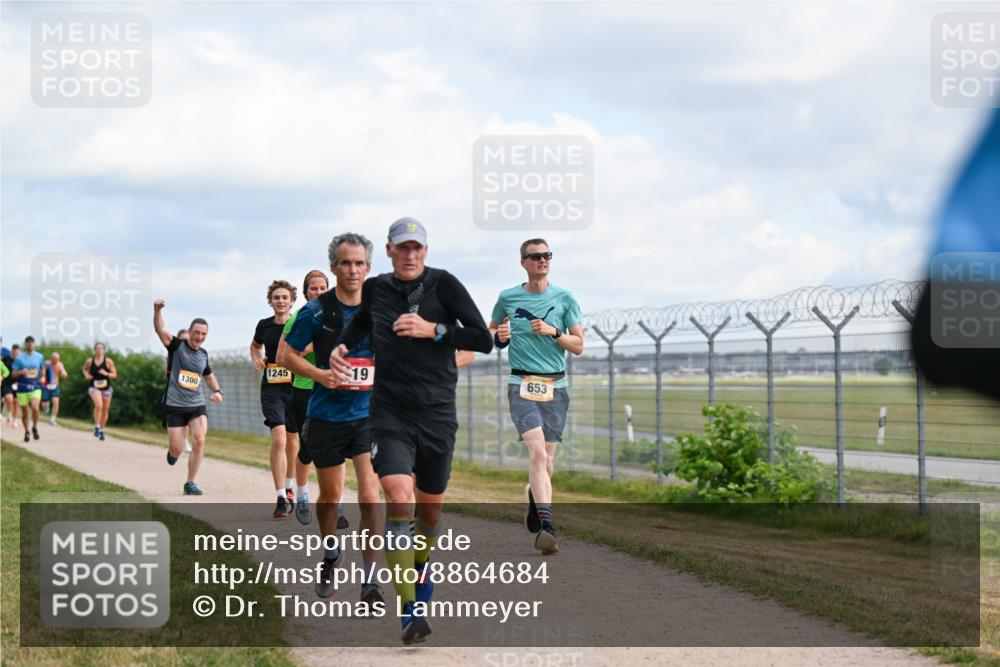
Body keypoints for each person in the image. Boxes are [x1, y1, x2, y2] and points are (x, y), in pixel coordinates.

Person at [329, 218, 493, 644]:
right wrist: (341, 346)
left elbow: (482, 338)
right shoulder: (378, 287)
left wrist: (435, 330)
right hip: (390, 413)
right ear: (389, 250)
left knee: (430, 513)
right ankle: (410, 609)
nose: (410, 254)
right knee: (398, 498)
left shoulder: (446, 285)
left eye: (417, 247)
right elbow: (362, 323)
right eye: (403, 247)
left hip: (438, 414)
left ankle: (420, 571)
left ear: (426, 249)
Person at [281, 233, 387, 606]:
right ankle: (330, 553)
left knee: (371, 496)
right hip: (326, 416)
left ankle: (371, 580)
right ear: (333, 267)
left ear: (369, 268)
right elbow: (285, 355)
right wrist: (320, 374)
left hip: (366, 417)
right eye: (346, 263)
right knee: (330, 496)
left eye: (359, 263)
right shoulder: (316, 312)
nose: (353, 269)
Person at [489, 239, 584, 554]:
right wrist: (499, 337)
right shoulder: (507, 297)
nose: (542, 260)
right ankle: (547, 526)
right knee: (538, 454)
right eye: (535, 256)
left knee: (548, 460)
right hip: (522, 384)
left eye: (547, 255)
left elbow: (579, 345)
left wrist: (554, 333)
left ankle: (535, 500)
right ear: (523, 262)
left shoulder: (565, 298)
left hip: (556, 387)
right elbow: (491, 333)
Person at [279, 269, 350, 528]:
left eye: (323, 288)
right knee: (308, 447)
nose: (318, 292)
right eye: (313, 288)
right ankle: (302, 495)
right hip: (304, 388)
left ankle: (338, 502)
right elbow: (282, 355)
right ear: (306, 292)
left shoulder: (338, 315)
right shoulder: (298, 317)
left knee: (336, 445)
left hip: (333, 388)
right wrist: (309, 345)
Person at [154, 299, 224, 495]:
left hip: (196, 405)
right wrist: (157, 311)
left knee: (199, 439)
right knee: (177, 449)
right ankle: (172, 453)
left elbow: (208, 376)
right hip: (175, 406)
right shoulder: (177, 346)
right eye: (196, 333)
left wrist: (217, 391)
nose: (199, 337)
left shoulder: (203, 354)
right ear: (190, 332)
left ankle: (190, 482)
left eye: (203, 334)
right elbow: (160, 330)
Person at [251, 280, 301, 518]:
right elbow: (255, 346)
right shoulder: (264, 325)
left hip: (296, 386)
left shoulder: (299, 322)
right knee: (279, 439)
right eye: (276, 297)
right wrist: (257, 359)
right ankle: (280, 496)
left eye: (285, 297)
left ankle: (290, 488)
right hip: (271, 387)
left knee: (293, 442)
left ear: (292, 301)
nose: (281, 301)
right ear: (270, 301)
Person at [11, 336, 46, 442]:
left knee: (35, 407)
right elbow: (13, 374)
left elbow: (43, 368)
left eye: (31, 342)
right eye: (27, 342)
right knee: (25, 413)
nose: (30, 344)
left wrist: (43, 376)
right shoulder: (19, 358)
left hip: (35, 386)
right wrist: (21, 372)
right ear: (25, 344)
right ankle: (27, 431)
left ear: (34, 344)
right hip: (22, 387)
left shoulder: (40, 356)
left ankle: (34, 427)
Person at [82, 342, 117, 442]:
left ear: (104, 350)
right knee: (98, 405)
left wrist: (106, 373)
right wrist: (86, 375)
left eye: (101, 348)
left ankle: (101, 430)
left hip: (106, 388)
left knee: (105, 410)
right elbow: (84, 369)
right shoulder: (90, 361)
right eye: (97, 348)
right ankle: (97, 426)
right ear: (94, 350)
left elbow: (115, 374)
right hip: (94, 387)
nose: (99, 350)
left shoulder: (108, 361)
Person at [41, 352, 68, 425]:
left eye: (58, 359)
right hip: (46, 386)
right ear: (51, 358)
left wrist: (63, 373)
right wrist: (43, 377)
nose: (56, 361)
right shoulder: (46, 363)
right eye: (55, 359)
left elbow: (64, 373)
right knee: (45, 405)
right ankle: (46, 408)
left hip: (55, 386)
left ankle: (53, 419)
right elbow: (43, 372)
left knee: (56, 402)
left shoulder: (60, 364)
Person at [1, 343, 18, 429]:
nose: (15, 351)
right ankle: (9, 414)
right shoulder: (6, 359)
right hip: (7, 383)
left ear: (19, 351)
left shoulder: (21, 360)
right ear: (12, 350)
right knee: (9, 399)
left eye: (17, 350)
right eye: (14, 349)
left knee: (16, 402)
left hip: (18, 384)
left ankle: (14, 420)